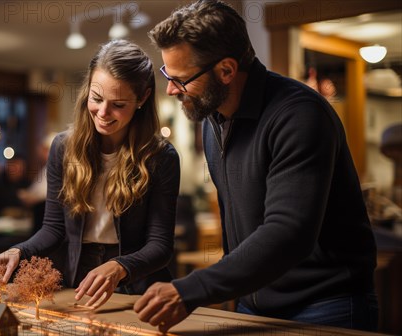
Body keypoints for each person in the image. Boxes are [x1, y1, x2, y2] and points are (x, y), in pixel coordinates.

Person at [134, 0, 378, 333]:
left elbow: (288, 233)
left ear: (227, 71)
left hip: (324, 304)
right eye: (167, 74)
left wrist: (191, 290)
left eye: (181, 79)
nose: (171, 89)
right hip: (252, 304)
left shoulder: (299, 116)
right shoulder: (213, 120)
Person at [0, 39, 180, 308]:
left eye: (119, 104)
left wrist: (119, 266)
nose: (103, 113)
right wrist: (18, 251)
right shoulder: (63, 148)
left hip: (138, 283)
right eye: (97, 98)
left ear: (143, 98)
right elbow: (54, 229)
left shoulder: (161, 157)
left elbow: (160, 245)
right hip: (78, 277)